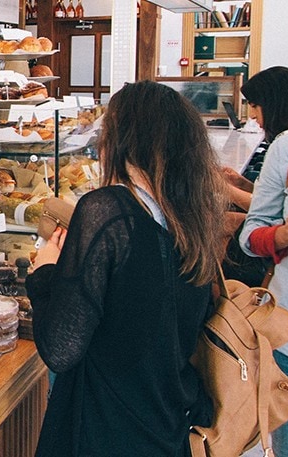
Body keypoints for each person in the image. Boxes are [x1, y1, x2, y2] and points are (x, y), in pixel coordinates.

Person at [26, 80, 226, 456]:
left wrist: (45, 272)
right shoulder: (190, 219)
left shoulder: (108, 210)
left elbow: (60, 349)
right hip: (165, 427)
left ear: (121, 139)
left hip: (107, 431)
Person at [237, 66, 288, 455]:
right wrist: (284, 236)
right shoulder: (287, 148)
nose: (253, 115)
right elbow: (251, 236)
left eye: (255, 105)